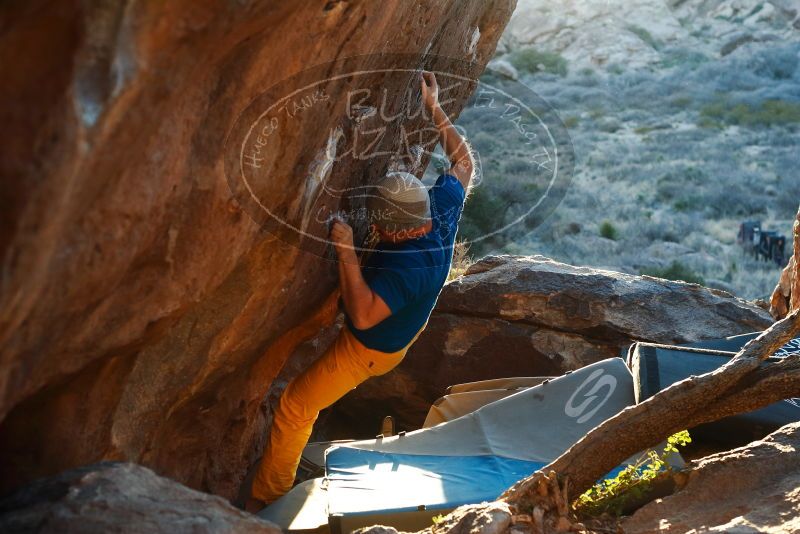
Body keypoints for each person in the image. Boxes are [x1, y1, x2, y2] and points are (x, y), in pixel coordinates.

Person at [246, 71, 475, 511]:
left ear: (393, 228)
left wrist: (348, 250)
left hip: (368, 349)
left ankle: (263, 505)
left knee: (295, 406)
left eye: (378, 225)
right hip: (396, 330)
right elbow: (463, 164)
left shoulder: (408, 267)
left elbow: (365, 315)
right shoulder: (441, 211)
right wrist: (434, 107)